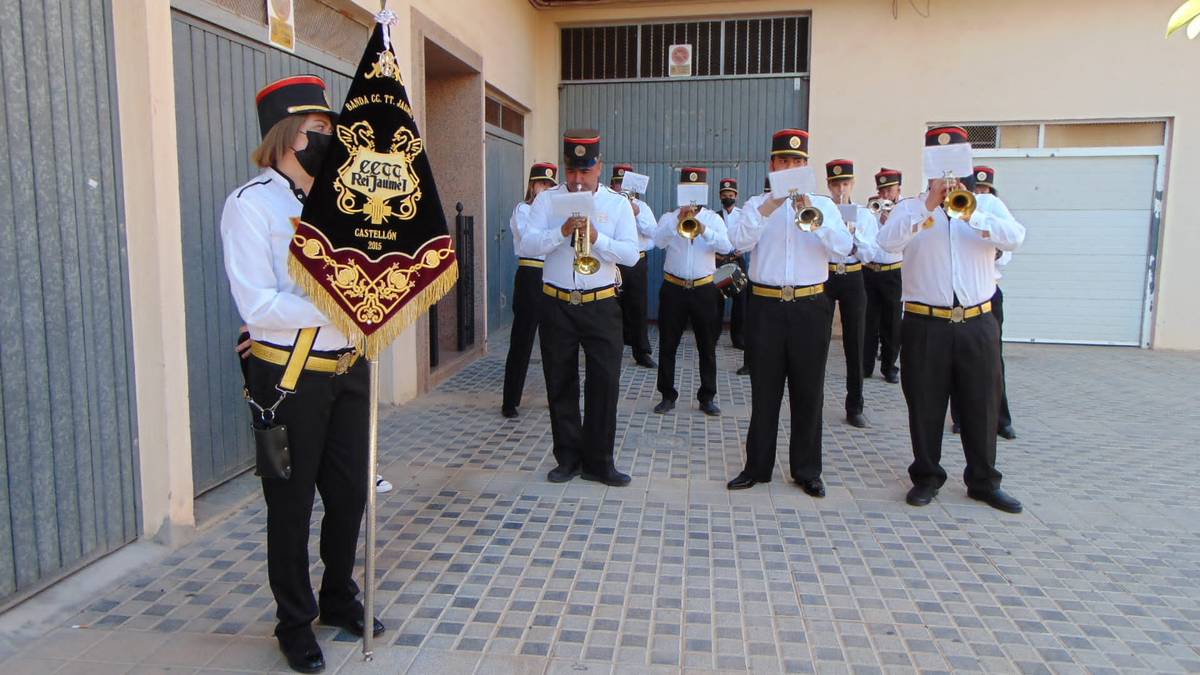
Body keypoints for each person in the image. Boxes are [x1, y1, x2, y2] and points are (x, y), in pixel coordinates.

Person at [220, 75, 383, 674]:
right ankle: (294, 621)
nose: (331, 142)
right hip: (289, 376)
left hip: (349, 368)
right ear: (289, 135)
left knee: (349, 496)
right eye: (320, 133)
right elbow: (257, 307)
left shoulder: (342, 202)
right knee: (290, 505)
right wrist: (334, 301)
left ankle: (339, 595)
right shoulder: (251, 205)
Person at [875, 126, 1026, 514]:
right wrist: (927, 206)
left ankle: (983, 480)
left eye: (954, 164)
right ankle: (926, 476)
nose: (947, 175)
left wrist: (972, 213)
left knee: (982, 402)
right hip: (926, 323)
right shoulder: (910, 207)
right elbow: (886, 244)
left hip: (977, 320)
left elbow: (1016, 238)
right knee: (924, 403)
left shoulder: (987, 206)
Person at [725, 129, 853, 496]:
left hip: (811, 306)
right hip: (765, 304)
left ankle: (807, 470)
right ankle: (757, 467)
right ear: (773, 166)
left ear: (806, 166)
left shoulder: (824, 206)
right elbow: (738, 242)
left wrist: (813, 217)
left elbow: (844, 249)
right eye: (785, 161)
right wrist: (770, 207)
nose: (791, 167)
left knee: (808, 391)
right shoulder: (755, 205)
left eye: (798, 162)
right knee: (764, 391)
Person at [518, 129, 640, 486]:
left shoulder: (616, 205)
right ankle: (567, 458)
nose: (576, 179)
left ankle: (600, 462)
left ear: (599, 167)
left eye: (585, 171)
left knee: (604, 383)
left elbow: (631, 255)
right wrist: (561, 232)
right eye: (571, 170)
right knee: (560, 381)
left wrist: (599, 239)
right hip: (557, 303)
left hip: (600, 304)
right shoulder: (546, 201)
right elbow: (527, 244)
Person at [652, 167, 732, 417]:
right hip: (674, 288)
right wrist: (678, 223)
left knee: (706, 345)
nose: (691, 199)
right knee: (668, 344)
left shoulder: (713, 220)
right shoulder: (669, 217)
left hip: (703, 288)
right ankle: (667, 395)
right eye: (687, 192)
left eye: (696, 193)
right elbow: (658, 241)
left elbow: (727, 246)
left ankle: (707, 397)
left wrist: (702, 229)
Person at [951, 165, 1016, 439]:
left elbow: (1011, 245)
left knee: (991, 361)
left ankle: (1000, 418)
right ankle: (959, 417)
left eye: (983, 188)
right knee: (953, 361)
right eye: (976, 188)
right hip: (955, 297)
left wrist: (991, 241)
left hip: (987, 294)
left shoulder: (991, 206)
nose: (979, 192)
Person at [824, 160, 880, 429]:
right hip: (825, 274)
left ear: (853, 184)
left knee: (855, 341)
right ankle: (815, 401)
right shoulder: (822, 212)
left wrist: (853, 235)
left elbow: (871, 254)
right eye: (835, 184)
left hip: (854, 274)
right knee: (817, 342)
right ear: (829, 186)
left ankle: (855, 405)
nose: (840, 189)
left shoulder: (865, 215)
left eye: (845, 184)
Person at [501, 162, 558, 418]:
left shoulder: (555, 215)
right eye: (541, 184)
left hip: (552, 276)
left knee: (556, 343)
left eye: (549, 185)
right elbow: (530, 241)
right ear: (532, 186)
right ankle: (510, 401)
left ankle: (556, 398)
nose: (545, 189)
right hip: (530, 275)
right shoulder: (523, 210)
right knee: (522, 340)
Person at [610, 164, 658, 368]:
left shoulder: (643, 207)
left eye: (625, 183)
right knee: (611, 309)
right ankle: (611, 350)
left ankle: (641, 352)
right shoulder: (607, 203)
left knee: (638, 306)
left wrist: (636, 212)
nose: (621, 187)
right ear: (612, 185)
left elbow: (654, 235)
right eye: (618, 183)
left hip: (637, 262)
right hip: (615, 262)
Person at [863, 168, 905, 384]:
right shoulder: (871, 208)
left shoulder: (904, 211)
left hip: (893, 273)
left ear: (898, 189)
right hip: (869, 271)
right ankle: (865, 365)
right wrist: (875, 216)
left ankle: (889, 367)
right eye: (882, 190)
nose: (885, 195)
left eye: (889, 190)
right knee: (868, 321)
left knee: (892, 322)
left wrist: (891, 220)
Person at [714, 178, 748, 355]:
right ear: (720, 196)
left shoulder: (743, 215)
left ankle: (738, 338)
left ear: (736, 196)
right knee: (717, 300)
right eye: (724, 195)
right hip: (719, 261)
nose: (728, 198)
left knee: (740, 301)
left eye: (730, 195)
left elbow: (748, 235)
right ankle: (714, 336)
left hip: (737, 260)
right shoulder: (714, 216)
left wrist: (742, 250)